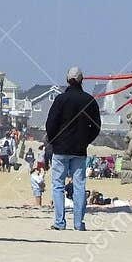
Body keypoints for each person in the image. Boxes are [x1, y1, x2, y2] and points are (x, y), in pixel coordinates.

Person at [43, 67, 102, 231]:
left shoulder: (61, 99)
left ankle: (60, 222)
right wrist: (86, 140)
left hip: (61, 149)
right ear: (82, 80)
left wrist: (54, 140)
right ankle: (78, 223)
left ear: (68, 80)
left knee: (58, 185)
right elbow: (96, 126)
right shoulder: (89, 100)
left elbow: (51, 123)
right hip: (79, 150)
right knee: (79, 186)